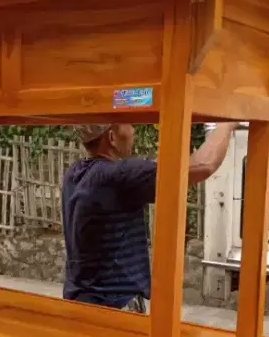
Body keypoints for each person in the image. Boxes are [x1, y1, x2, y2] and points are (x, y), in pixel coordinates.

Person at [61, 122, 237, 312]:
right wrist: (226, 124)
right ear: (111, 137)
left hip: (79, 303)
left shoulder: (74, 174)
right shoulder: (117, 176)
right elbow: (203, 165)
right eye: (129, 125)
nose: (134, 131)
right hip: (113, 309)